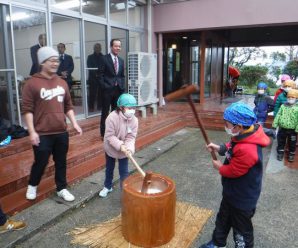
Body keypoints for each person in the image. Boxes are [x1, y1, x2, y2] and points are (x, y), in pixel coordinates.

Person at [200, 102, 271, 248]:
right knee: (223, 219)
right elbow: (231, 146)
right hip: (231, 194)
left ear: (238, 127)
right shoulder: (242, 135)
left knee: (241, 231)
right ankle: (218, 243)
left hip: (243, 199)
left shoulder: (249, 149)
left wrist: (220, 167)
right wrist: (219, 148)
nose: (225, 127)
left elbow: (234, 170)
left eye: (227, 124)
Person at [22, 46, 82, 202]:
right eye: (52, 60)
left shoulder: (62, 83)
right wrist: (32, 131)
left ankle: (61, 188)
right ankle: (32, 185)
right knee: (41, 162)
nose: (55, 63)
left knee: (61, 162)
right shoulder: (32, 84)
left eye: (57, 60)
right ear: (43, 62)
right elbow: (27, 110)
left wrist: (74, 123)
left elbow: (68, 106)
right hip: (42, 133)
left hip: (61, 131)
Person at [99, 93, 138, 198]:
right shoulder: (111, 118)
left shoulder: (134, 120)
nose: (132, 110)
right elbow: (109, 136)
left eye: (134, 108)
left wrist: (129, 149)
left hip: (125, 150)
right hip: (111, 148)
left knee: (124, 172)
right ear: (121, 107)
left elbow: (131, 137)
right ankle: (107, 186)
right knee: (109, 168)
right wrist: (120, 145)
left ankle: (125, 193)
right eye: (129, 108)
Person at [99, 39, 125, 139]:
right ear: (111, 46)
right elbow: (99, 75)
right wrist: (104, 86)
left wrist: (122, 86)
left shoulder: (121, 60)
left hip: (118, 90)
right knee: (105, 112)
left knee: (117, 112)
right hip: (107, 90)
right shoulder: (104, 59)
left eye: (119, 46)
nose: (118, 48)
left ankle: (114, 132)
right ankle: (104, 133)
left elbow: (122, 76)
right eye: (116, 46)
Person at [272, 89, 298, 162]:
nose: (290, 99)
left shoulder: (297, 107)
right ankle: (280, 153)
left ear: (296, 98)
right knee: (281, 141)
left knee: (292, 143)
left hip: (292, 130)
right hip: (282, 128)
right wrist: (275, 124)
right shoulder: (283, 106)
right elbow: (278, 115)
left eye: (292, 97)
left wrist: (297, 129)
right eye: (289, 97)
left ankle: (291, 155)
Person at [87, 43, 104, 112]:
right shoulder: (90, 57)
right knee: (92, 93)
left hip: (101, 78)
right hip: (92, 78)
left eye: (99, 48)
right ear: (94, 48)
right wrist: (96, 74)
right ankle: (91, 107)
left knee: (101, 93)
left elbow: (104, 67)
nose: (97, 49)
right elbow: (89, 67)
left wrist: (100, 75)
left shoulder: (103, 57)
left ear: (100, 49)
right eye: (96, 47)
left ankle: (100, 106)